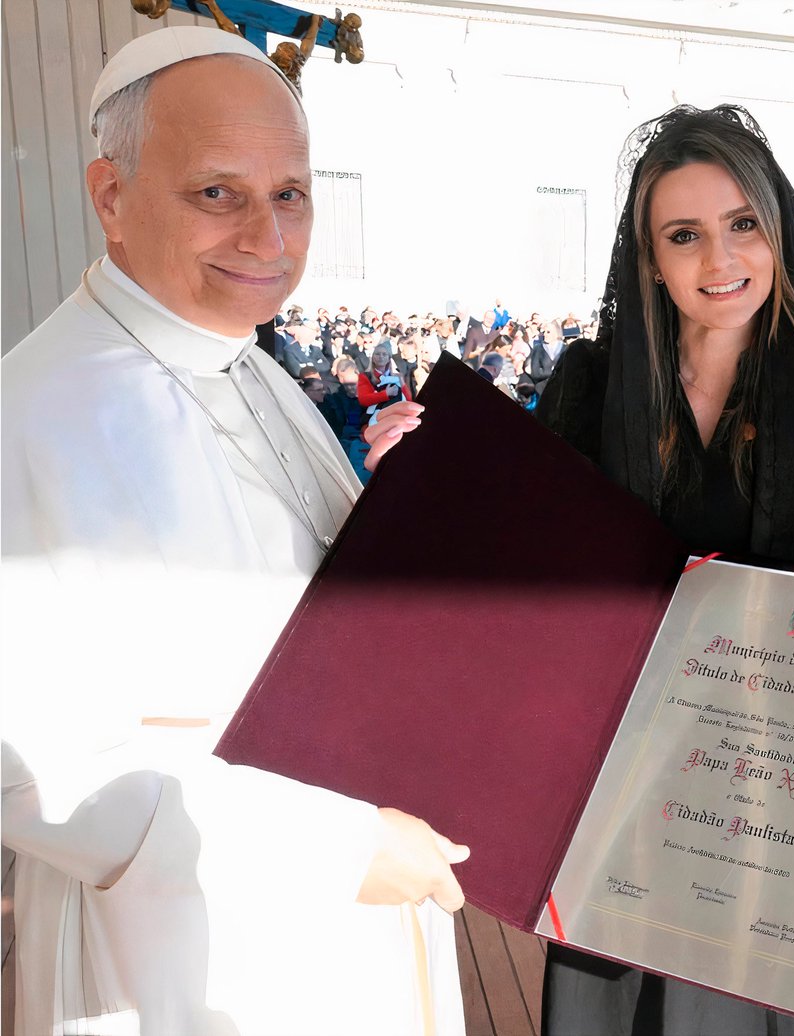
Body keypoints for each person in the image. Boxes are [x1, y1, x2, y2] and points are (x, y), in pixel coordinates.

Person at [1, 27, 466, 1035]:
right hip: (179, 948)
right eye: (218, 192)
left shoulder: (251, 364)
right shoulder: (30, 412)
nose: (267, 238)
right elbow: (32, 767)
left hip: (362, 898)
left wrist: (392, 519)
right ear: (110, 195)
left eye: (289, 194)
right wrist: (337, 849)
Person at [537, 103, 794, 1036]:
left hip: (787, 811)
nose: (720, 258)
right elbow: (531, 578)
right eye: (685, 235)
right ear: (649, 258)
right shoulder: (590, 385)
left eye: (743, 223)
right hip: (623, 799)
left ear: (779, 231)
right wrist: (414, 468)